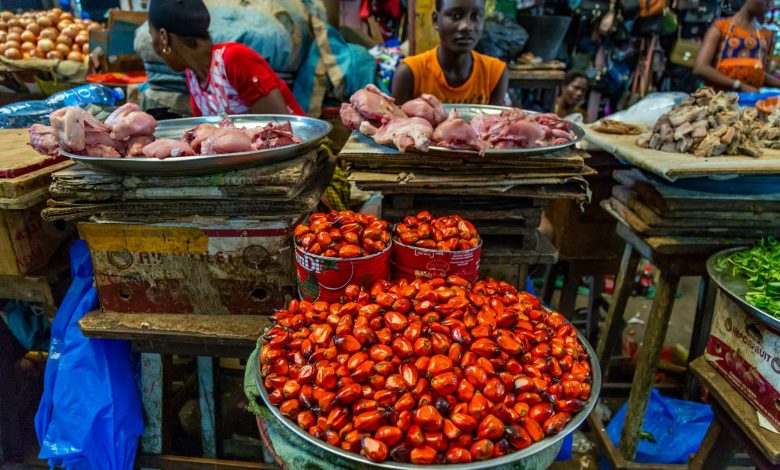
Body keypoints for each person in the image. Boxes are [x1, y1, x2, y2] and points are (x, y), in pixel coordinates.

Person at [147, 0, 305, 117]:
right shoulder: (193, 76)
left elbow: (280, 129)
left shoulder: (234, 59)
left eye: (150, 33)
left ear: (163, 37)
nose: (152, 44)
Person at [391, 0, 508, 105]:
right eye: (455, 15)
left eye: (476, 16)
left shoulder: (495, 73)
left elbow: (496, 127)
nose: (467, 26)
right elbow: (397, 127)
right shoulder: (410, 73)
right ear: (436, 20)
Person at [693, 0, 780, 92]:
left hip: (750, 101)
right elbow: (700, 68)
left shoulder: (763, 36)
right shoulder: (721, 27)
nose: (770, 4)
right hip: (719, 100)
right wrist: (738, 85)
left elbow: (758, 73)